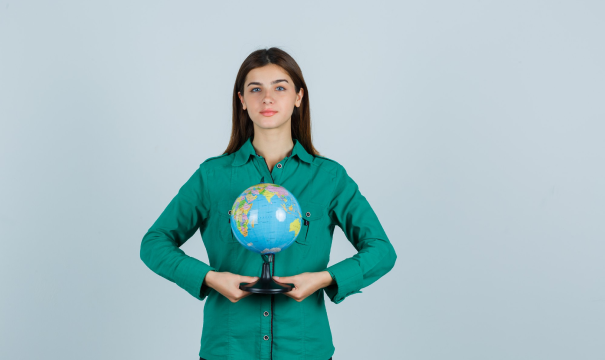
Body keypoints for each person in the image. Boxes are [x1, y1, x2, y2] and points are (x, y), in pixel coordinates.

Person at [140, 47, 397, 360]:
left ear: (298, 97)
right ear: (242, 100)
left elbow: (382, 251)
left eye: (280, 87)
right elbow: (154, 243)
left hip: (304, 349)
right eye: (255, 89)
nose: (267, 99)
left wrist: (323, 279)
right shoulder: (212, 176)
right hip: (228, 348)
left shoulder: (329, 177)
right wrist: (209, 278)